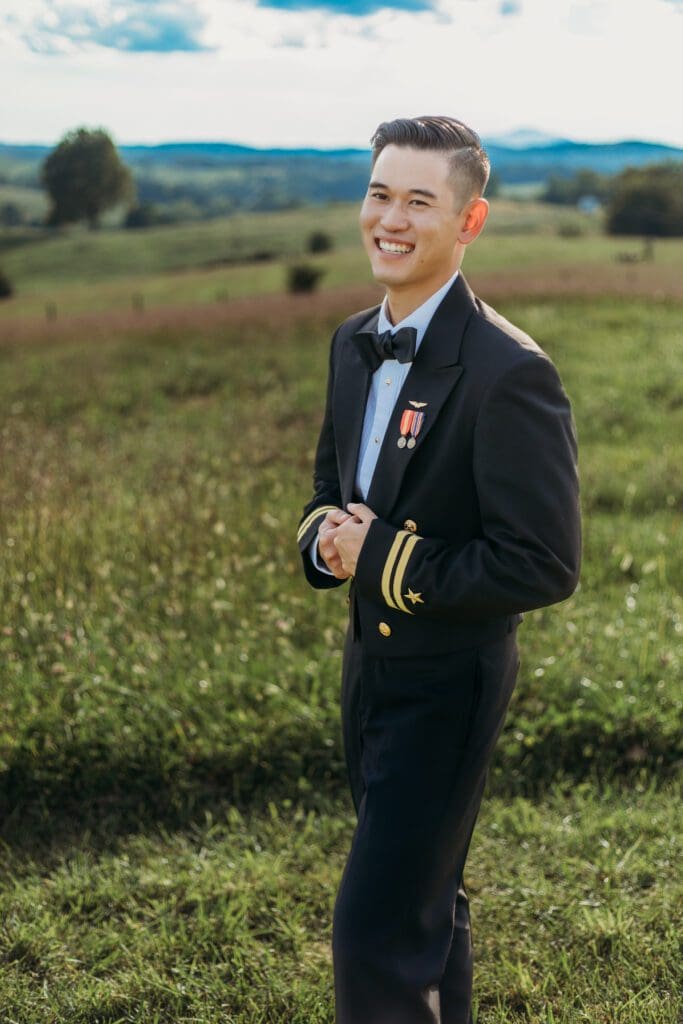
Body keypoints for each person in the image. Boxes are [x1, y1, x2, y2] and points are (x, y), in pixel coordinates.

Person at [296, 115, 581, 1024]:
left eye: (420, 200)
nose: (391, 217)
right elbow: (328, 483)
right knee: (422, 911)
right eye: (379, 193)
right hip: (368, 670)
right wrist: (320, 541)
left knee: (373, 933)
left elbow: (540, 563)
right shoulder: (351, 341)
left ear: (470, 221)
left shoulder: (509, 372)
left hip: (451, 682)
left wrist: (374, 554)